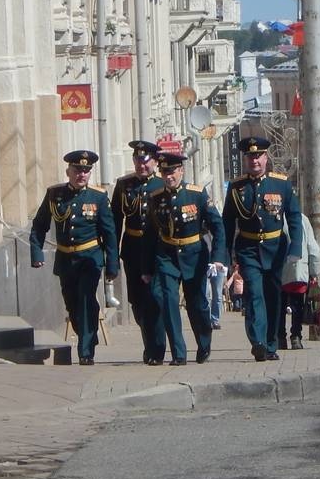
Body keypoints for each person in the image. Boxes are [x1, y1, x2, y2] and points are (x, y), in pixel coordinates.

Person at [30, 150, 118, 365]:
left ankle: (85, 351)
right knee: (72, 304)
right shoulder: (55, 194)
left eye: (86, 171)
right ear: (68, 171)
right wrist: (36, 252)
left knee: (87, 299)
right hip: (65, 258)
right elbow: (39, 225)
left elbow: (109, 232)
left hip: (90, 257)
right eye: (78, 170)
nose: (82, 175)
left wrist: (112, 265)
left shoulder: (98, 197)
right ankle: (89, 333)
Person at [223, 136, 302, 362]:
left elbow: (294, 216)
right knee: (255, 294)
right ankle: (257, 342)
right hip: (248, 249)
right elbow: (227, 221)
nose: (254, 161)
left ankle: (270, 344)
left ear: (266, 158)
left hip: (275, 248)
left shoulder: (281, 183)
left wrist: (296, 246)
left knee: (274, 297)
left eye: (258, 156)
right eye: (250, 157)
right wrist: (225, 254)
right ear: (245, 159)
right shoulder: (236, 187)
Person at [141, 152, 224, 365]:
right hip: (166, 255)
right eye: (164, 172)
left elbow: (217, 226)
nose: (168, 176)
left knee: (197, 305)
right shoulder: (155, 198)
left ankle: (204, 343)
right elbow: (150, 235)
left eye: (172, 171)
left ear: (181, 171)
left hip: (194, 254)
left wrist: (218, 257)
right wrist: (147, 268)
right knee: (167, 300)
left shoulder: (197, 194)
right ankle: (179, 352)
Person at [110, 140, 163, 363]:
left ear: (155, 162)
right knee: (137, 303)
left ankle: (156, 349)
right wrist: (111, 254)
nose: (142, 166)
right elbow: (114, 221)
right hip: (132, 250)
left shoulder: (162, 184)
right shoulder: (124, 186)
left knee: (155, 299)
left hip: (157, 251)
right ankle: (148, 341)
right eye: (137, 161)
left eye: (146, 161)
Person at [206, 258, 228, 330]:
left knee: (218, 295)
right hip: (206, 263)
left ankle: (215, 320)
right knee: (206, 294)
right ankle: (207, 320)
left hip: (220, 264)